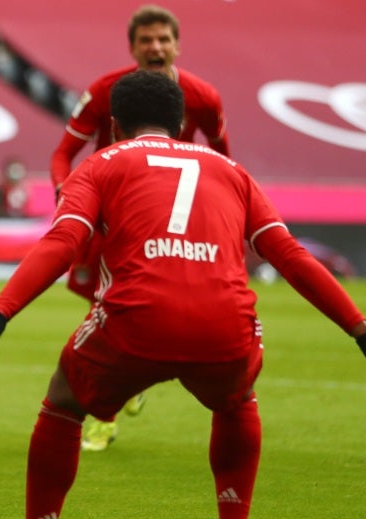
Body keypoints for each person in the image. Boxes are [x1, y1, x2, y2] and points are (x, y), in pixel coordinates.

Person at [0, 71, 366, 519]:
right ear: (181, 119)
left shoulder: (103, 162)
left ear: (117, 124)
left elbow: (63, 243)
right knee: (237, 400)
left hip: (136, 322)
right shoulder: (233, 172)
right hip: (224, 326)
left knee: (63, 402)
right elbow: (291, 257)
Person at [51, 4, 232, 451]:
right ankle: (131, 380)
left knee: (110, 304)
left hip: (163, 220)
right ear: (133, 48)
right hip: (105, 211)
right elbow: (62, 154)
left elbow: (224, 158)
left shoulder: (203, 97)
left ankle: (102, 415)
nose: (155, 47)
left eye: (163, 39)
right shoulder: (105, 91)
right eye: (146, 40)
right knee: (101, 300)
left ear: (176, 45)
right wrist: (65, 193)